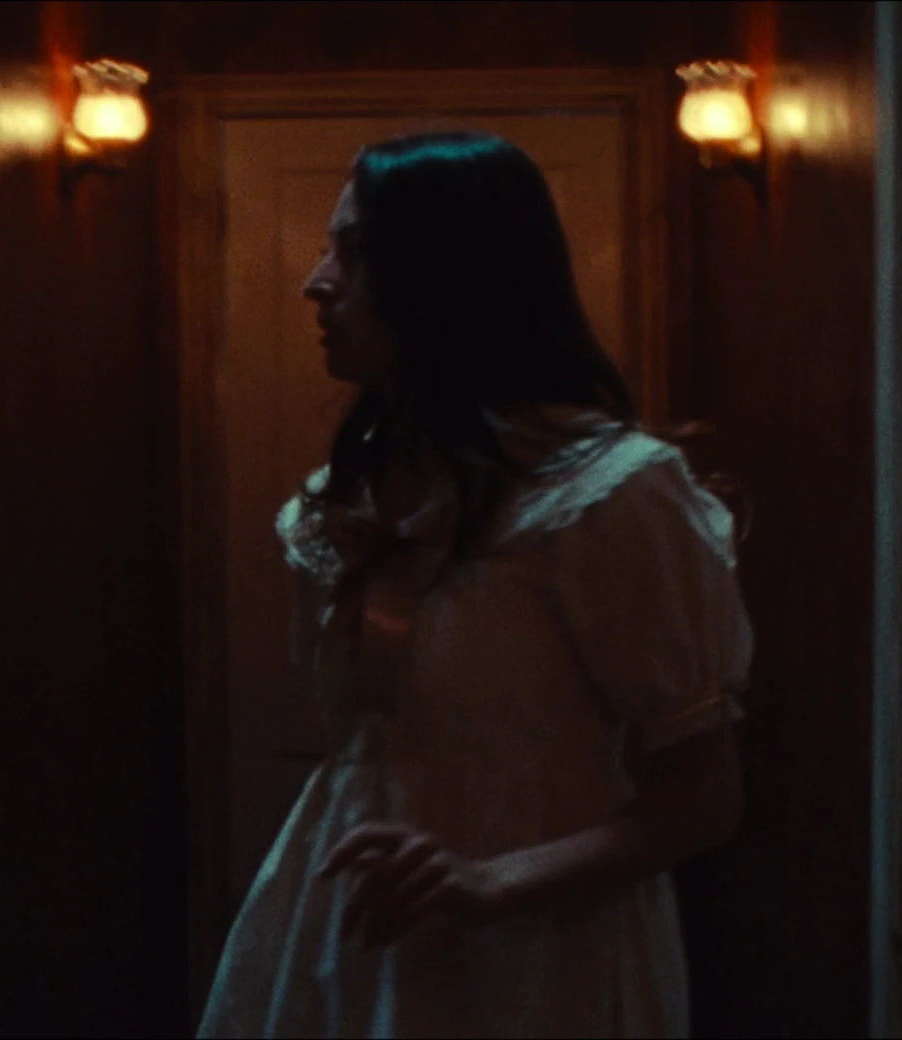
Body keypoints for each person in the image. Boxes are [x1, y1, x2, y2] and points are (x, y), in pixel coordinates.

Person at [196, 131, 755, 1039]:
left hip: (539, 954)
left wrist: (492, 881)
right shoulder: (344, 501)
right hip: (353, 931)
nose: (315, 282)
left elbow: (704, 796)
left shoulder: (605, 496)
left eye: (355, 251)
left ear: (446, 276)